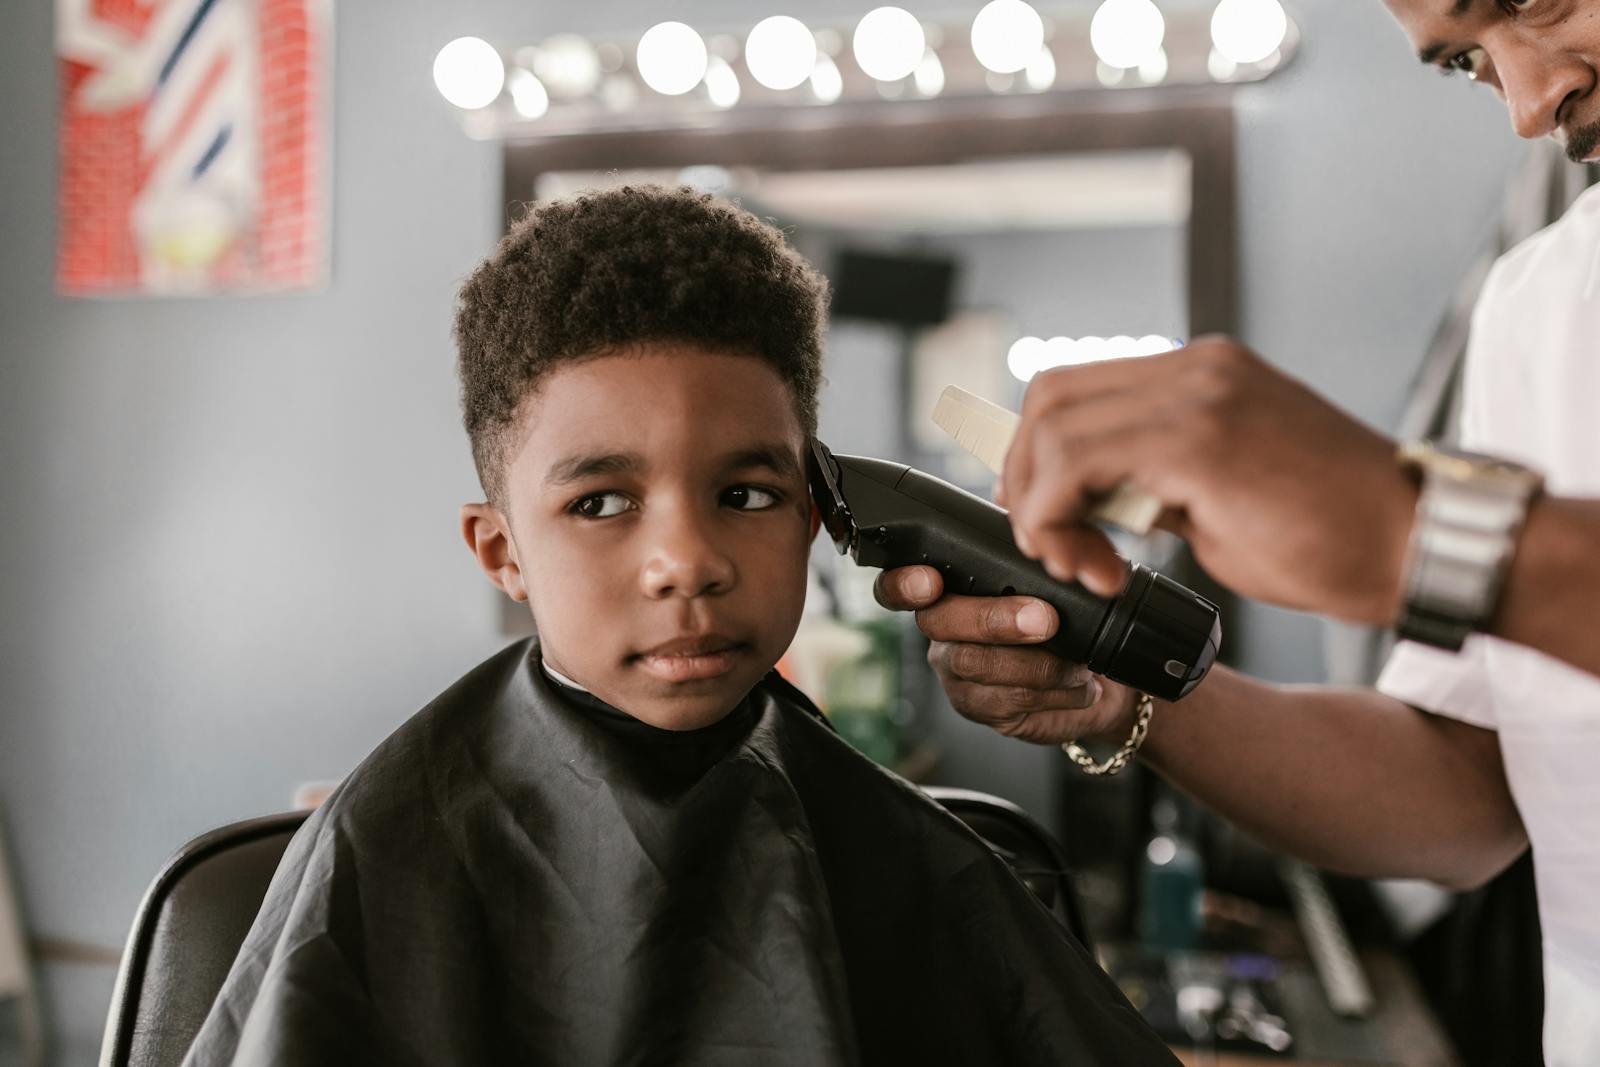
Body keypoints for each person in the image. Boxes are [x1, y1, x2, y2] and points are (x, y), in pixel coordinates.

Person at [181, 185, 1177, 1067]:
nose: (688, 559)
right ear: (502, 552)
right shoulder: (382, 847)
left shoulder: (915, 859)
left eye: (745, 492)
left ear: (819, 509)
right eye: (603, 503)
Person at [875, 3, 1600, 1064]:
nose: (1533, 105)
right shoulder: (1538, 303)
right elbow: (1475, 797)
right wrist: (1134, 685)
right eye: (1466, 65)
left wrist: (1426, 536)